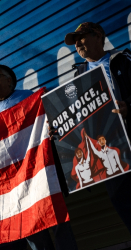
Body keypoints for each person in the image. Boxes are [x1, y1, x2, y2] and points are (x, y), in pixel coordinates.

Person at [0, 64, 77, 250]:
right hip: (17, 177)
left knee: (55, 217)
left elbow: (49, 119)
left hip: (40, 167)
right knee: (32, 225)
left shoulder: (28, 97)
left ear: (10, 80)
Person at [64, 22, 131, 234]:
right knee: (124, 203)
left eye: (81, 38)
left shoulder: (122, 60)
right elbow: (78, 118)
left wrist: (129, 106)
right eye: (75, 42)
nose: (78, 45)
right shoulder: (77, 77)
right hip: (109, 153)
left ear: (98, 35)